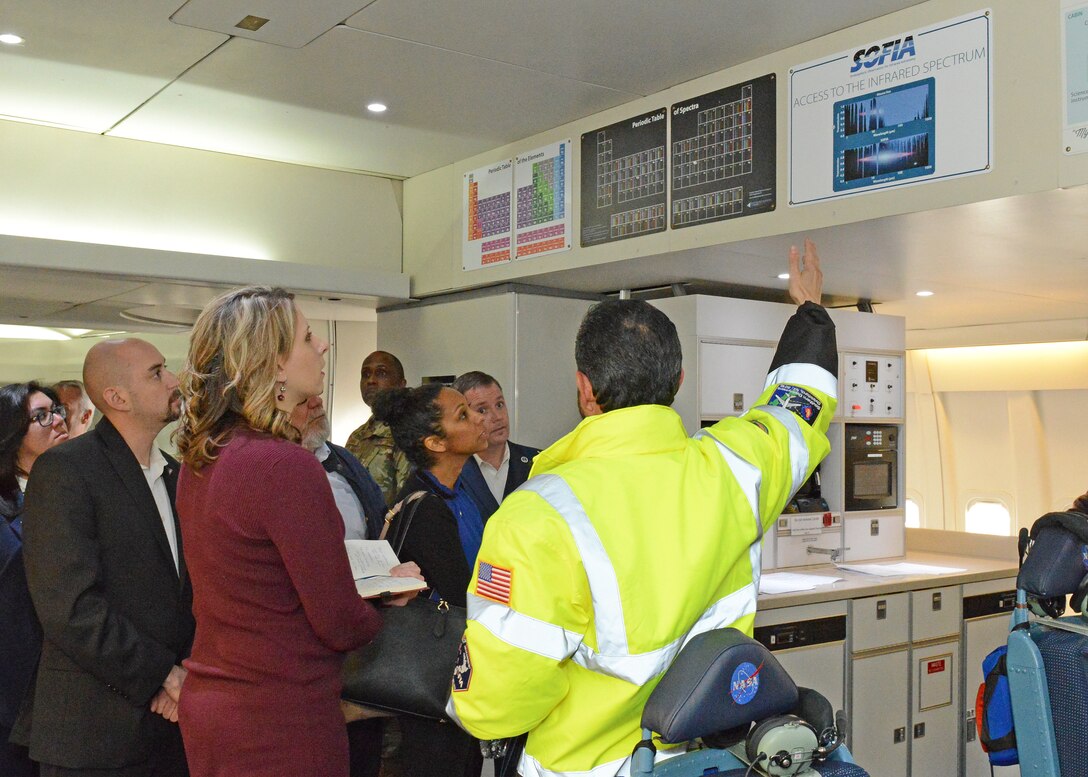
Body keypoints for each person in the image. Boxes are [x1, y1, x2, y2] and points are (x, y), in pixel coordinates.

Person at [447, 240, 838, 777]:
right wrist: (810, 314)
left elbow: (496, 705)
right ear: (677, 384)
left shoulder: (534, 517)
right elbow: (798, 410)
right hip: (713, 761)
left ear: (585, 390)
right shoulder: (737, 468)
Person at [174, 287, 399, 777]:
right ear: (272, 362)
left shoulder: (205, 457)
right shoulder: (284, 465)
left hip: (216, 703)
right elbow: (338, 621)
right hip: (277, 715)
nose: (323, 347)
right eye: (308, 337)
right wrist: (389, 600)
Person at [17, 340, 193, 777]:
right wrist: (163, 677)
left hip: (174, 729)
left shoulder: (176, 472)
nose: (174, 381)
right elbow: (71, 608)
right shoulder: (65, 470)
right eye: (157, 372)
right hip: (95, 735)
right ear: (117, 397)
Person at [288, 393, 415, 777]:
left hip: (363, 616)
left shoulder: (344, 459)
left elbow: (375, 519)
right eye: (303, 401)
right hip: (307, 631)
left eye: (318, 398)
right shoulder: (277, 470)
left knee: (362, 746)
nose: (317, 405)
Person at [371, 383, 489, 777]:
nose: (479, 418)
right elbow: (465, 592)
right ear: (436, 443)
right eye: (463, 415)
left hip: (457, 669)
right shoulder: (428, 509)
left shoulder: (461, 491)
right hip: (435, 675)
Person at [0, 382, 69, 777]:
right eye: (40, 416)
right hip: (17, 703)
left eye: (56, 409)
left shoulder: (81, 490)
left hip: (72, 699)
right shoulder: (8, 510)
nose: (57, 420)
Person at [451, 372, 540, 521]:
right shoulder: (452, 472)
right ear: (463, 418)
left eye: (499, 405)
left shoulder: (538, 461)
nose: (497, 417)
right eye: (482, 410)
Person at [345, 351, 412, 505]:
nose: (371, 381)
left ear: (401, 384)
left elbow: (408, 500)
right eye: (365, 374)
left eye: (381, 373)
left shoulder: (406, 431)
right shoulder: (357, 436)